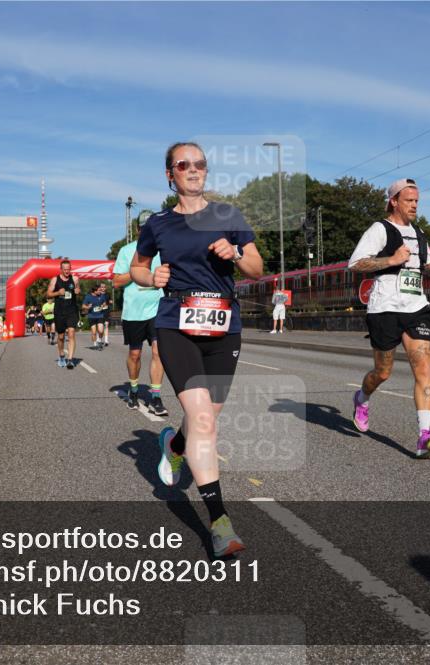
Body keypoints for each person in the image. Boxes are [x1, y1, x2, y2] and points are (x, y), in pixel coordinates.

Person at [130, 141, 263, 557]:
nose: (193, 170)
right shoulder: (157, 223)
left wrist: (237, 252)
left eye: (199, 164)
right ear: (169, 174)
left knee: (204, 418)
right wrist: (151, 278)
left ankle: (173, 445)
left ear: (206, 171)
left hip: (224, 326)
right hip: (175, 324)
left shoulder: (227, 215)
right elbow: (136, 267)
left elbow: (258, 268)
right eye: (183, 164)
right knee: (203, 418)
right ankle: (220, 523)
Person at [348, 178, 430, 458]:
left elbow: (426, 263)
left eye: (417, 201)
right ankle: (362, 398)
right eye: (409, 200)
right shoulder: (380, 229)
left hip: (416, 307)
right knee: (383, 372)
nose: (415, 205)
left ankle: (424, 437)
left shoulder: (419, 233)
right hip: (385, 308)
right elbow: (356, 264)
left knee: (424, 371)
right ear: (394, 201)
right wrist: (391, 260)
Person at [113, 228, 167, 416]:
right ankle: (134, 390)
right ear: (138, 230)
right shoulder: (127, 251)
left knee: (158, 352)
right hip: (133, 312)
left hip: (158, 308)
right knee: (135, 354)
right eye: (144, 228)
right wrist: (137, 271)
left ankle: (156, 397)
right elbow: (116, 282)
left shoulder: (162, 250)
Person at [47, 259, 81, 369]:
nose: (67, 271)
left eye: (68, 269)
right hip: (59, 311)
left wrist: (78, 291)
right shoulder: (54, 280)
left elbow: (78, 289)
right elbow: (48, 294)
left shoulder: (75, 279)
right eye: (65, 269)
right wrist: (58, 292)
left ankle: (70, 359)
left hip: (71, 311)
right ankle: (62, 356)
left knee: (71, 333)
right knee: (61, 337)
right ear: (61, 269)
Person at [82, 285, 107, 350]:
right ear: (95, 291)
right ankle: (95, 344)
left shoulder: (102, 296)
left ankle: (99, 340)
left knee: (101, 331)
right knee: (93, 332)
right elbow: (83, 306)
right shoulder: (88, 297)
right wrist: (88, 307)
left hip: (100, 315)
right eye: (99, 290)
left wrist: (103, 305)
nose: (100, 291)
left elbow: (104, 303)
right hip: (91, 316)